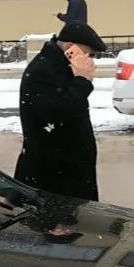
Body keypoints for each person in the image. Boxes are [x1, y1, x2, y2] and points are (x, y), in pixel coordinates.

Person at [14, 21, 105, 201]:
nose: (89, 60)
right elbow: (55, 115)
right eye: (87, 54)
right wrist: (82, 82)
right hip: (54, 177)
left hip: (70, 172)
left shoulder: (64, 68)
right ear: (71, 48)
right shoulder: (41, 71)